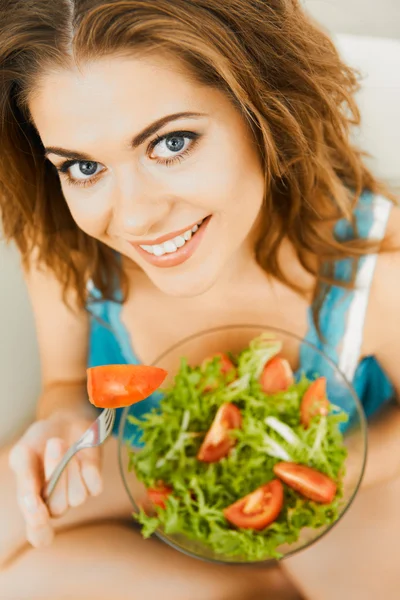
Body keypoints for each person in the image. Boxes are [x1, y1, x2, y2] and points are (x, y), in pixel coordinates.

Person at [0, 1, 399, 598]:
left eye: (171, 142)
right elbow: (63, 386)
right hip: (145, 473)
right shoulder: (63, 245)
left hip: (348, 481)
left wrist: (324, 475)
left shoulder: (375, 261)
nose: (133, 216)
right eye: (83, 166)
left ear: (266, 109)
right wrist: (64, 417)